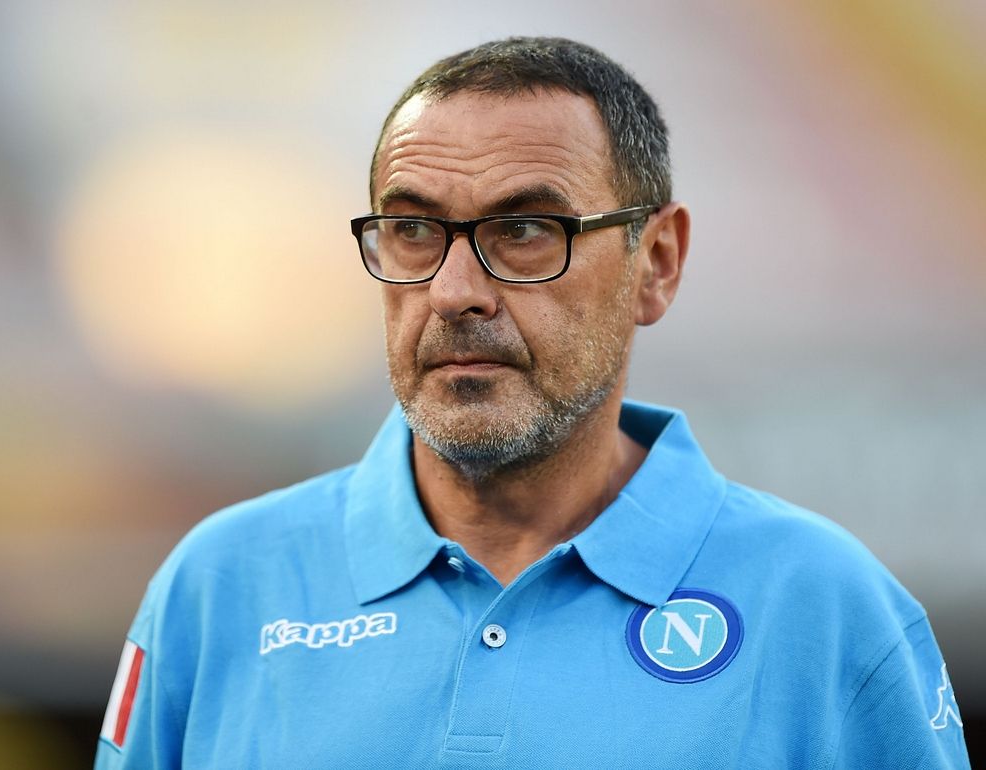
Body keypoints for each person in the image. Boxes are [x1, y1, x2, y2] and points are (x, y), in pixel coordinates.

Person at [94, 37, 970, 768]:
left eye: (522, 231)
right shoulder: (221, 589)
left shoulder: (824, 608)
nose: (454, 291)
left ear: (656, 262)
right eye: (412, 230)